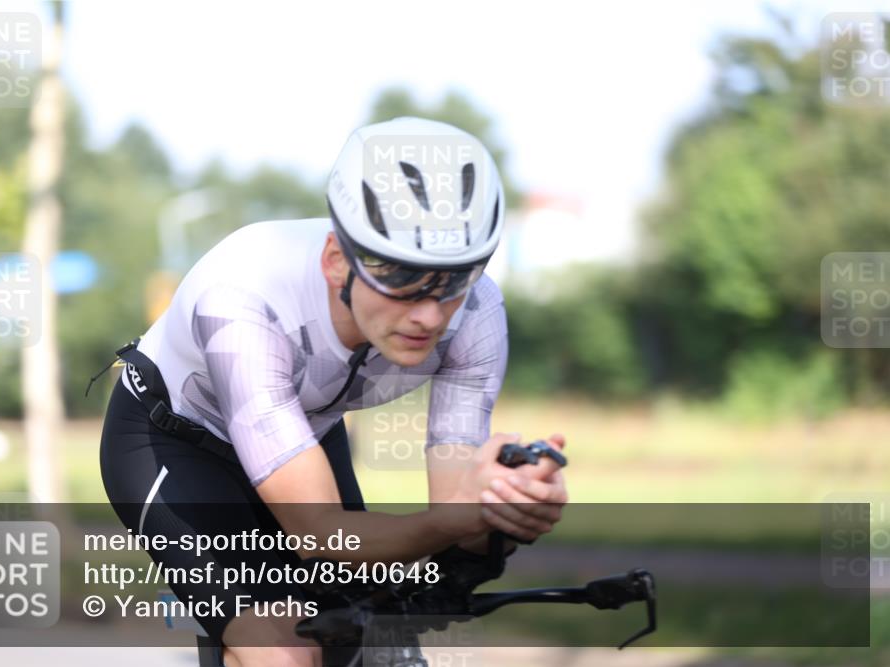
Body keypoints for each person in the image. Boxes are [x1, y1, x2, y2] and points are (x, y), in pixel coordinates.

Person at [99, 117, 568, 666]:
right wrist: (456, 522)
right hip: (176, 447)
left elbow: (452, 528)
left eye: (454, 280)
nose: (427, 314)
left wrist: (502, 510)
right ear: (335, 260)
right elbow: (321, 535)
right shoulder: (244, 296)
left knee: (373, 643)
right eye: (401, 279)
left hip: (302, 429)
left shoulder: (477, 313)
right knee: (286, 650)